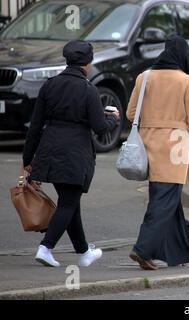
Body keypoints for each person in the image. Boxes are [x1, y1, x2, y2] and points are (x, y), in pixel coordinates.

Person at [22, 40, 120, 267]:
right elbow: (101, 128)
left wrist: (27, 159)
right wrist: (113, 117)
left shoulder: (50, 85)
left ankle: (84, 252)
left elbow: (35, 125)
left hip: (50, 150)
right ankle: (46, 247)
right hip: (75, 154)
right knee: (68, 203)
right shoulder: (89, 90)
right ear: (87, 63)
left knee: (70, 202)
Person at [127, 36, 189, 270]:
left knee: (169, 201)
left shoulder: (144, 77)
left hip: (148, 145)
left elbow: (130, 114)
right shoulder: (186, 80)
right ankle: (142, 249)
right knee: (164, 201)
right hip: (174, 148)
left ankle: (179, 253)